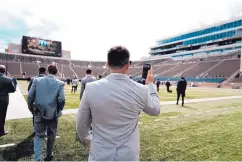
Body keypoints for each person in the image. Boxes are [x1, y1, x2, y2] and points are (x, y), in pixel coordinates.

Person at [76, 46, 160, 161]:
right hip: (128, 156)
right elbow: (155, 110)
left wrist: (87, 141)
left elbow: (81, 124)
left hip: (100, 153)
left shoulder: (91, 88)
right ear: (128, 65)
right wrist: (150, 84)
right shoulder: (141, 89)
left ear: (107, 64)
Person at [28, 64, 65, 161]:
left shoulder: (36, 80)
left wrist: (31, 109)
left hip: (38, 112)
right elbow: (62, 99)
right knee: (51, 135)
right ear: (56, 72)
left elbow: (30, 96)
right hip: (53, 114)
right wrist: (59, 110)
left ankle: (37, 159)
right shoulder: (60, 83)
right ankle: (49, 155)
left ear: (47, 71)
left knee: (39, 135)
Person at [28, 67, 47, 135]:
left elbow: (29, 90)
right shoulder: (48, 79)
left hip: (35, 102)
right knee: (45, 115)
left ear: (39, 71)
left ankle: (36, 130)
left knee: (35, 116)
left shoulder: (33, 79)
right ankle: (44, 130)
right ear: (45, 71)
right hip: (46, 102)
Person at [0, 65, 17, 136]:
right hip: (3, 100)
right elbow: (13, 90)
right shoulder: (8, 79)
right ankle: (1, 131)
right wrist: (15, 82)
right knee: (1, 115)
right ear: (4, 71)